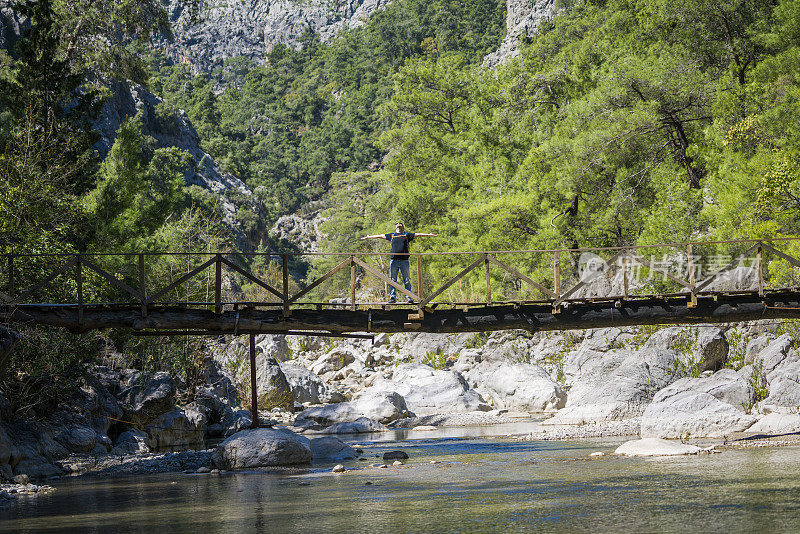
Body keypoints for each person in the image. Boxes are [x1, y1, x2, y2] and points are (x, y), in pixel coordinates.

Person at [361, 222, 438, 303]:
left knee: (407, 280)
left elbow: (418, 234)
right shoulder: (392, 235)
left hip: (404, 261)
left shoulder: (406, 235)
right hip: (394, 261)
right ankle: (392, 297)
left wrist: (429, 235)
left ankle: (409, 297)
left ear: (403, 228)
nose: (399, 226)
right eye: (397, 226)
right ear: (395, 228)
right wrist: (368, 237)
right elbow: (380, 236)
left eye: (400, 226)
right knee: (393, 280)